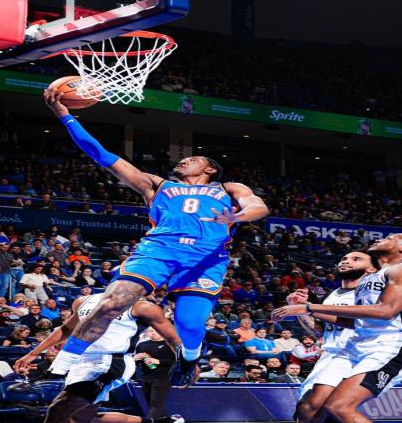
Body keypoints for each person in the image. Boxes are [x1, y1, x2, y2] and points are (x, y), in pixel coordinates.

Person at [43, 87, 269, 386]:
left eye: (193, 159)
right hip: (158, 251)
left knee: (190, 324)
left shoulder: (228, 188)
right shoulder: (156, 185)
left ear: (210, 169)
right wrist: (64, 115)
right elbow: (101, 154)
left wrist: (237, 217)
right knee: (111, 303)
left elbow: (258, 206)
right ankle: (61, 364)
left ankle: (189, 358)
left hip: (205, 259)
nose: (183, 161)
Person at [273, 234, 402, 423]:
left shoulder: (397, 270)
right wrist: (305, 310)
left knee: (338, 407)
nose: (380, 239)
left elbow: (386, 311)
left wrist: (310, 307)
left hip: (386, 346)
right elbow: (354, 322)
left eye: (390, 237)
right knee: (310, 408)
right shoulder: (364, 283)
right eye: (344, 258)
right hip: (353, 347)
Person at [14, 291, 185, 423]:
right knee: (81, 418)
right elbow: (66, 329)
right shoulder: (83, 301)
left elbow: (172, 338)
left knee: (60, 407)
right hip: (81, 362)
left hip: (111, 362)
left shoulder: (142, 307)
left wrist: (188, 365)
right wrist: (32, 354)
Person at [283, 251, 378, 423]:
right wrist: (299, 309)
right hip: (330, 355)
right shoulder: (332, 295)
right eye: (343, 258)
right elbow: (320, 331)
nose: (346, 261)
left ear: (371, 269)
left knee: (315, 407)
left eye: (356, 259)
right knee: (308, 411)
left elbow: (359, 323)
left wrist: (309, 308)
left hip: (359, 354)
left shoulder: (373, 293)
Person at [134, 327, 177, 419]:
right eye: (150, 331)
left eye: (156, 331)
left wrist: (159, 361)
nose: (153, 333)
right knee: (151, 403)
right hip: (145, 376)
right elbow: (138, 363)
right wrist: (135, 359)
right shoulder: (142, 345)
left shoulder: (170, 344)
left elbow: (176, 362)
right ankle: (166, 420)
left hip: (163, 377)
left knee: (156, 403)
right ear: (147, 332)